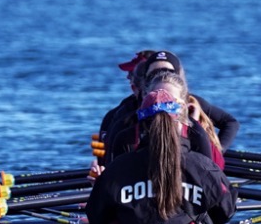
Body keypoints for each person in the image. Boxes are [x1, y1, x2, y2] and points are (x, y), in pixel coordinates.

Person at [86, 71, 237, 224]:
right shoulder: (202, 166)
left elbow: (96, 218)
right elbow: (226, 211)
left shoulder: (117, 169)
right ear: (180, 117)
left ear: (142, 122)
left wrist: (103, 186)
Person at [95, 49, 239, 167]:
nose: (161, 78)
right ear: (145, 85)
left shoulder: (195, 113)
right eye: (154, 75)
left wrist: (217, 148)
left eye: (168, 73)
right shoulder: (123, 118)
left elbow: (213, 170)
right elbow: (108, 165)